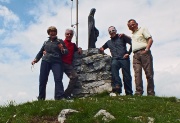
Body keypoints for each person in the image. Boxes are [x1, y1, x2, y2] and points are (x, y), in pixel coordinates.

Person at [31, 26, 68, 100]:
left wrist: (62, 49)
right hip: (46, 61)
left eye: (54, 31)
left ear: (56, 33)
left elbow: (66, 52)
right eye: (51, 31)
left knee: (58, 79)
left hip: (56, 61)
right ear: (49, 33)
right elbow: (41, 52)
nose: (53, 33)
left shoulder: (60, 41)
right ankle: (41, 98)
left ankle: (60, 96)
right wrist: (35, 60)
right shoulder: (46, 42)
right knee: (42, 80)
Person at [99, 26, 133, 95]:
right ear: (109, 33)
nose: (112, 32)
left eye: (113, 30)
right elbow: (102, 48)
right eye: (110, 31)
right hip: (115, 59)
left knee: (127, 76)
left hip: (124, 58)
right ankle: (118, 86)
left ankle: (129, 93)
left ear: (116, 31)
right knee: (113, 67)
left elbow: (132, 43)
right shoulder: (108, 42)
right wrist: (101, 49)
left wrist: (128, 53)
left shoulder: (122, 37)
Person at [127, 19, 155, 96]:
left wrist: (146, 49)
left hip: (144, 53)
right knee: (137, 74)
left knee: (149, 73)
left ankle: (151, 93)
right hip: (135, 55)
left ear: (136, 24)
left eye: (133, 24)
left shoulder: (142, 29)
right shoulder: (133, 35)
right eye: (130, 25)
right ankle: (138, 92)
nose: (132, 26)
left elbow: (150, 39)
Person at [62, 28, 82, 98]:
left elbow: (78, 49)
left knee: (74, 77)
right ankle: (58, 96)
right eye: (67, 34)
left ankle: (66, 94)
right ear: (65, 35)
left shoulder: (73, 45)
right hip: (60, 64)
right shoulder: (61, 43)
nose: (69, 35)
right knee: (58, 80)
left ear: (72, 35)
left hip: (68, 65)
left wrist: (79, 48)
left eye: (71, 34)